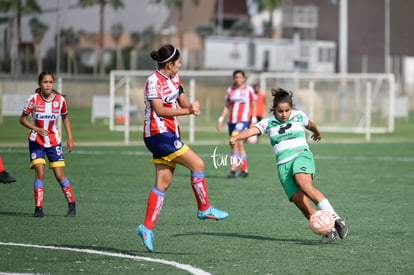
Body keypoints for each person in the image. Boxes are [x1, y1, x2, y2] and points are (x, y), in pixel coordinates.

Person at [137, 44, 228, 252]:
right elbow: (159, 110)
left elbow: (182, 100)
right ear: (169, 64)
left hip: (169, 135)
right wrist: (187, 112)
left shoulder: (174, 78)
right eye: (178, 63)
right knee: (198, 164)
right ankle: (204, 209)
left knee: (163, 182)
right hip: (157, 134)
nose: (180, 66)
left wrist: (191, 107)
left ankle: (146, 228)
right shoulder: (153, 81)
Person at [229, 88, 348, 243]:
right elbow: (252, 130)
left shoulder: (299, 116)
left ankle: (337, 219)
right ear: (274, 110)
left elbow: (310, 124)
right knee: (302, 205)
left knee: (303, 184)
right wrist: (237, 137)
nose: (284, 114)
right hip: (283, 166)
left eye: (286, 110)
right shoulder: (268, 122)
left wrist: (317, 133)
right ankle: (328, 230)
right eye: (280, 111)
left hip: (301, 155)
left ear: (291, 109)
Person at [19, 72, 76, 218]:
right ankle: (38, 208)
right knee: (40, 172)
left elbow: (65, 117)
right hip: (36, 141)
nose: (48, 84)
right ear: (39, 84)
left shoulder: (60, 100)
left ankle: (72, 204)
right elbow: (22, 119)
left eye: (51, 82)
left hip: (53, 141)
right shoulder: (33, 99)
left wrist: (70, 138)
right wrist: (37, 129)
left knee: (59, 174)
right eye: (45, 82)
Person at [217, 70, 256, 178]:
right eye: (236, 77)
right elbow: (226, 106)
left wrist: (253, 119)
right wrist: (221, 119)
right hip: (231, 121)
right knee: (234, 144)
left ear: (244, 78)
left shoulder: (248, 90)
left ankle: (239, 170)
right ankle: (240, 170)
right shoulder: (230, 90)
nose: (238, 79)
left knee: (237, 141)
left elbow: (253, 104)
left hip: (243, 120)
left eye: (240, 77)